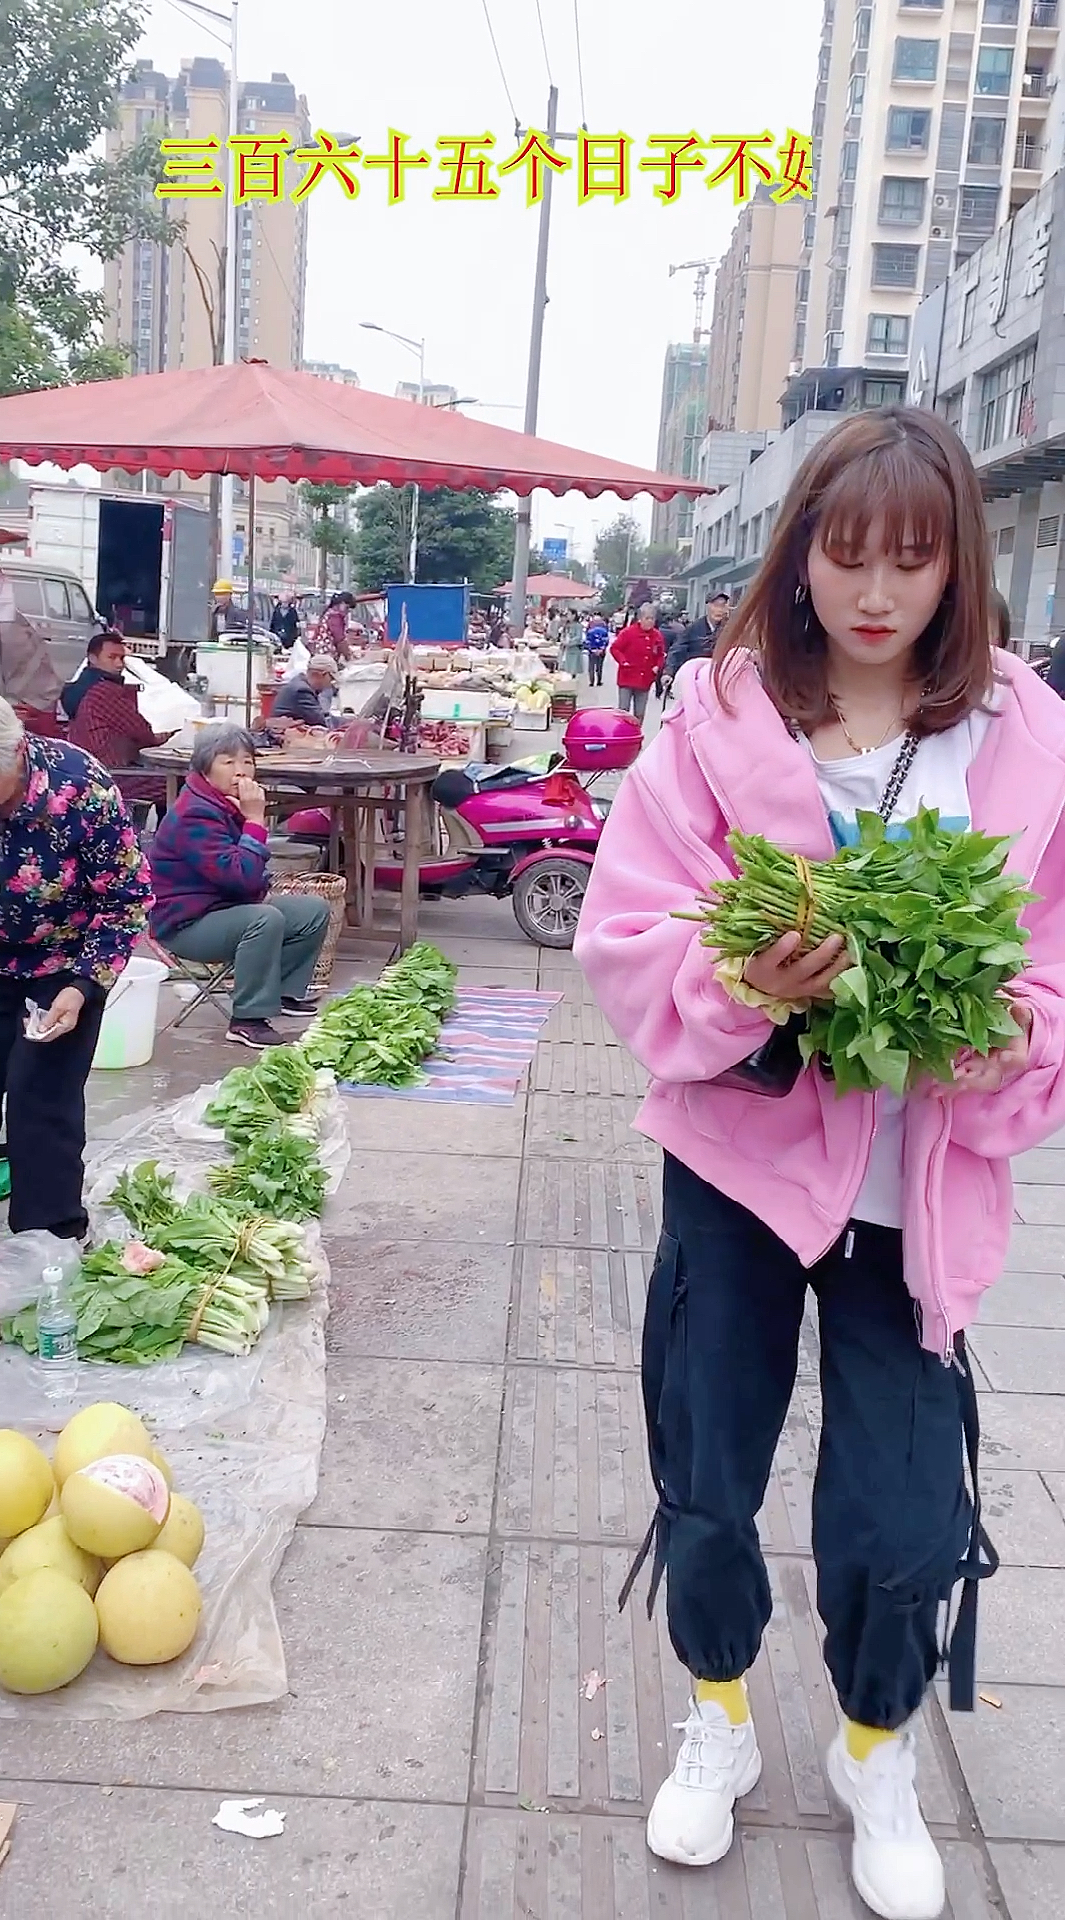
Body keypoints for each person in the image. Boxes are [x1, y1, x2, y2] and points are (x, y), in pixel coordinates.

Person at [574, 405, 1065, 1920]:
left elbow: (1044, 969)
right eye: (846, 555)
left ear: (955, 570)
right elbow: (627, 934)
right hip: (737, 1168)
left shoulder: (1027, 736)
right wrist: (746, 991)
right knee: (708, 1470)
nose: (875, 592)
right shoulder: (719, 719)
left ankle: (873, 1745)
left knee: (903, 1509)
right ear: (799, 560)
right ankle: (717, 1717)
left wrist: (990, 1048)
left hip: (913, 1191)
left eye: (911, 561)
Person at [0, 690, 151, 1237]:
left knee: (42, 1104)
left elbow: (126, 897)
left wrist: (82, 987)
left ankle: (46, 1242)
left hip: (64, 966)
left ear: (15, 754)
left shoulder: (80, 787)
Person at [149, 724, 330, 1051]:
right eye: (227, 762)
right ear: (205, 767)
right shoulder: (195, 814)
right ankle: (247, 1019)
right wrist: (256, 820)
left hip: (224, 907)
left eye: (247, 761)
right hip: (186, 924)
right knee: (263, 919)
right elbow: (241, 876)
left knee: (312, 910)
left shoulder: (225, 802)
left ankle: (281, 993)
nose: (240, 771)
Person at [63, 629, 170, 813]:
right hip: (111, 774)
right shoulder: (104, 691)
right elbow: (143, 733)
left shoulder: (79, 687)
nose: (119, 664)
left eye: (122, 658)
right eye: (112, 657)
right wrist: (167, 735)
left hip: (87, 771)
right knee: (173, 784)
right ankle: (167, 838)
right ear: (93, 658)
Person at [610, 603, 665, 722]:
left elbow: (660, 654)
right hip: (627, 676)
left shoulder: (657, 635)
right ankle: (622, 734)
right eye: (647, 618)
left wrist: (657, 666)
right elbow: (615, 648)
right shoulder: (628, 633)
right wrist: (622, 661)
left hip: (645, 679)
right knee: (623, 710)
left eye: (652, 619)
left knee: (639, 713)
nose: (650, 621)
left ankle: (636, 735)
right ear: (640, 619)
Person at [664, 591, 731, 687]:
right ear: (708, 606)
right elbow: (677, 650)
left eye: (723, 606)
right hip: (697, 680)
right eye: (716, 605)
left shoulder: (730, 629)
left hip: (720, 681)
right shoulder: (693, 628)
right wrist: (668, 673)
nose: (719, 610)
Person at [270, 655, 339, 729]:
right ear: (322, 675)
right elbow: (322, 721)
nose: (330, 684)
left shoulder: (299, 683)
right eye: (331, 679)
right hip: (283, 734)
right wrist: (349, 722)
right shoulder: (302, 691)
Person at [584, 613, 610, 687]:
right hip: (601, 652)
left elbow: (587, 642)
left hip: (592, 651)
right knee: (599, 667)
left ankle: (591, 681)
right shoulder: (604, 630)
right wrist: (601, 649)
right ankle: (599, 681)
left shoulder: (590, 631)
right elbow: (606, 641)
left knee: (591, 666)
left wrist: (592, 649)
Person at [560, 612, 585, 677]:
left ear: (574, 615)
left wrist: (569, 642)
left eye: (569, 614)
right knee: (565, 669)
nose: (567, 616)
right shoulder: (566, 625)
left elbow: (579, 637)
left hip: (574, 649)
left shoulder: (578, 626)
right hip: (565, 649)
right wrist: (563, 640)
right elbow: (563, 634)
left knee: (573, 669)